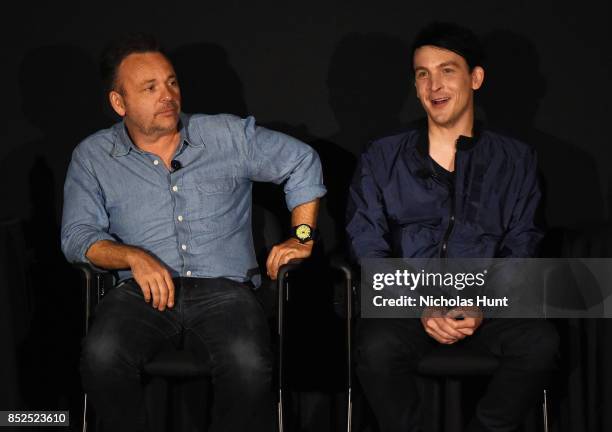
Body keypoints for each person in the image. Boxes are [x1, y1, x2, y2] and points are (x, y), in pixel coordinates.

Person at [61, 33, 326, 432]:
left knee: (248, 363)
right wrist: (132, 256)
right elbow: (77, 236)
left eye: (171, 82)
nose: (167, 94)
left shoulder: (226, 136)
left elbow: (302, 161)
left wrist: (301, 236)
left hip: (227, 291)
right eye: (149, 88)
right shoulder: (93, 157)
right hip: (139, 293)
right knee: (101, 357)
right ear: (119, 103)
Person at [346, 22, 559, 432]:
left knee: (540, 344)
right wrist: (420, 304)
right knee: (373, 349)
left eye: (447, 70)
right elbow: (366, 241)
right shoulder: (381, 156)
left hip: (488, 304)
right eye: (422, 73)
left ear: (475, 78)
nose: (434, 85)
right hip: (406, 303)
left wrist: (483, 304)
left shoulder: (516, 159)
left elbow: (523, 243)